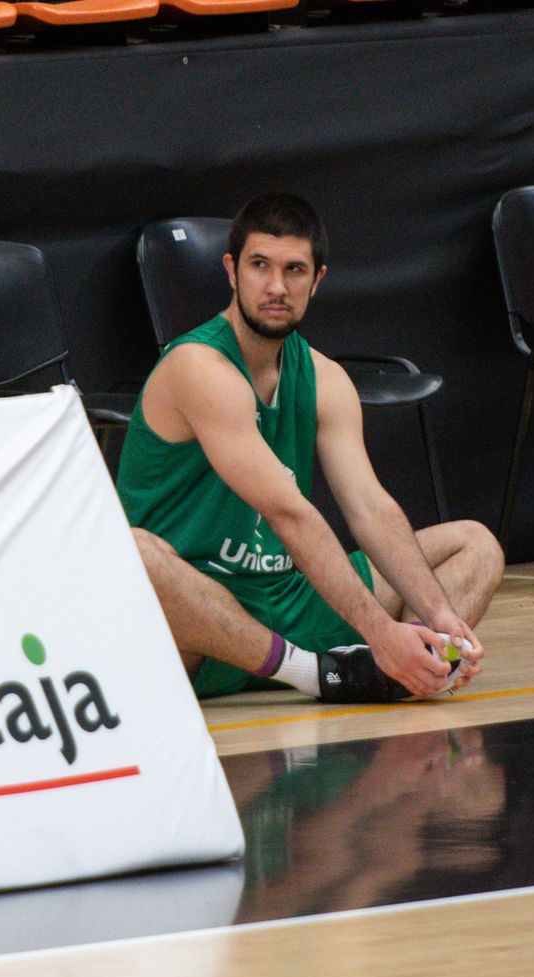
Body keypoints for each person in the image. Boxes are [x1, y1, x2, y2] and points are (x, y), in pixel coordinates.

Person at [118, 193, 503, 703]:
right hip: (195, 618)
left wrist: (439, 614)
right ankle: (321, 673)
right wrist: (379, 630)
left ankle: (413, 667)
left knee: (475, 545)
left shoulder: (326, 378)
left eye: (294, 270)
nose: (276, 286)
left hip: (286, 601)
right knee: (133, 555)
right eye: (260, 266)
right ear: (232, 271)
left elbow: (369, 509)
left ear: (317, 279)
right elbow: (287, 512)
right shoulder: (199, 367)